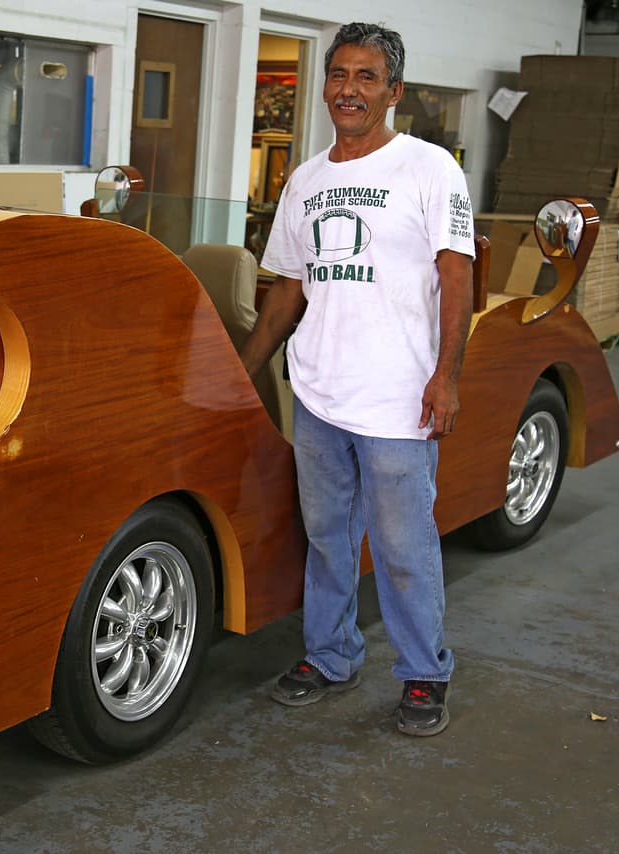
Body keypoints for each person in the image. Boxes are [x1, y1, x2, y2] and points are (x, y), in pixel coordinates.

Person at [239, 22, 474, 736]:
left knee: (404, 546)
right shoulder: (306, 181)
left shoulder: (429, 169)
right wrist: (241, 371)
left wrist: (446, 376)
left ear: (393, 92)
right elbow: (287, 288)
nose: (349, 89)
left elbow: (457, 276)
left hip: (400, 399)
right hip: (320, 395)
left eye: (366, 77)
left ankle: (424, 673)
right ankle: (331, 655)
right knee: (328, 537)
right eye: (339, 75)